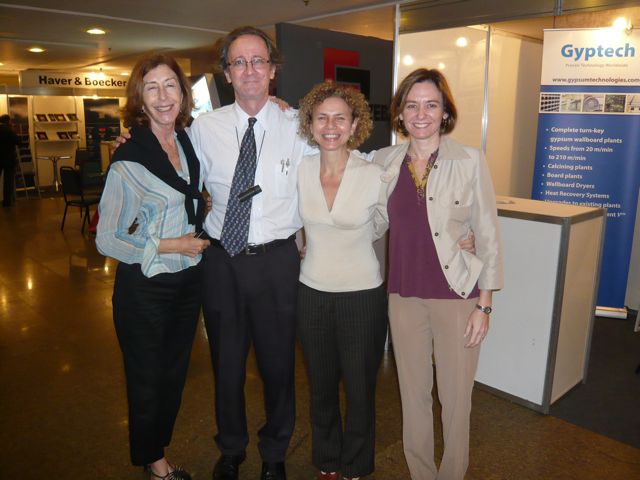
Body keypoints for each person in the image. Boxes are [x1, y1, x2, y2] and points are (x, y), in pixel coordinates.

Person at [188, 26, 315, 480]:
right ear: (226, 73)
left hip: (277, 261)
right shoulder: (204, 128)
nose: (249, 70)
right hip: (221, 260)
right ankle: (232, 448)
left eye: (258, 60)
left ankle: (275, 451)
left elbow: (340, 163)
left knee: (279, 364)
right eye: (238, 62)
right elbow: (174, 169)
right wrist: (132, 143)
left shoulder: (299, 125)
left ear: (273, 70)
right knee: (226, 364)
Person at [373, 68, 503, 480]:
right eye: (412, 105)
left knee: (455, 399)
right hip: (403, 297)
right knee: (412, 397)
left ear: (445, 111)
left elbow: (487, 233)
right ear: (400, 112)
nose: (421, 114)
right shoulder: (383, 161)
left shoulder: (469, 161)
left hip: (458, 297)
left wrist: (485, 305)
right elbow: (365, 217)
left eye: (431, 105)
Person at [96, 52, 209, 480]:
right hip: (145, 286)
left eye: (170, 85)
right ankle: (156, 464)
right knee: (147, 379)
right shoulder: (129, 156)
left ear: (183, 93)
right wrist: (172, 244)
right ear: (139, 98)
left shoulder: (187, 142)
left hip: (188, 281)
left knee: (173, 375)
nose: (163, 96)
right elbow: (108, 238)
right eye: (152, 88)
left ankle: (156, 447)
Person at [296, 83, 389, 480]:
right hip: (311, 292)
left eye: (340, 118)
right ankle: (327, 458)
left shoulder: (374, 175)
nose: (330, 126)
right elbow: (289, 219)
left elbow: (385, 222)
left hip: (362, 295)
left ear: (354, 125)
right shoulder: (300, 169)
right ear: (310, 124)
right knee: (320, 385)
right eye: (322, 118)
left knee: (359, 386)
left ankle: (356, 463)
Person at [0, 114, 21, 207]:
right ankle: (7, 202)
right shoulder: (9, 130)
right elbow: (19, 141)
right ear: (7, 121)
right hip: (8, 159)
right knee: (8, 181)